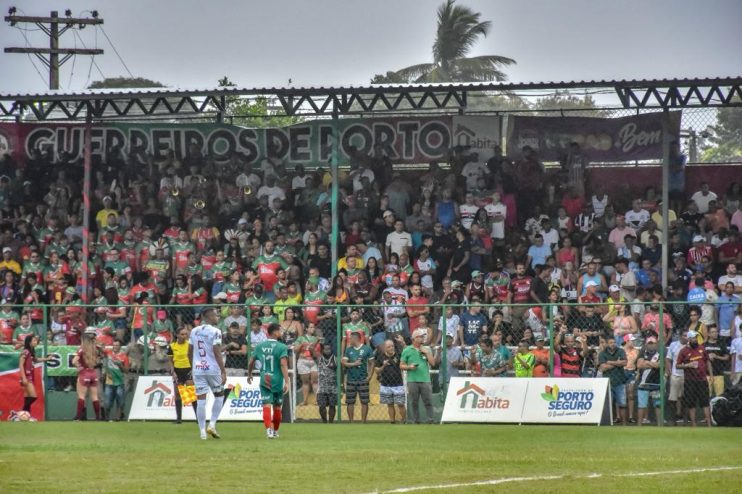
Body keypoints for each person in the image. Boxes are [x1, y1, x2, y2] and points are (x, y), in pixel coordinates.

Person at [188, 308, 227, 440]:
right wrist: (223, 370)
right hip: (212, 368)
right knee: (220, 395)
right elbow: (216, 351)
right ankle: (212, 424)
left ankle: (202, 432)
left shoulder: (194, 331)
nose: (218, 317)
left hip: (198, 369)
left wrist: (193, 366)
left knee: (201, 400)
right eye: (216, 315)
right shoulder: (216, 331)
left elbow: (190, 351)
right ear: (209, 317)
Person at [248, 323, 290, 438]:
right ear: (275, 333)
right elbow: (283, 364)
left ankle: (269, 431)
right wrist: (287, 381)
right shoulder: (282, 347)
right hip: (277, 381)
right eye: (280, 330)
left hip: (265, 379)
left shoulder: (260, 346)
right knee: (277, 407)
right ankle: (275, 431)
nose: (281, 332)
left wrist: (249, 374)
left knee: (266, 405)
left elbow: (251, 361)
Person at [676, 329, 712, 427]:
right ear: (689, 339)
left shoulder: (702, 348)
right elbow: (677, 365)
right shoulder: (683, 351)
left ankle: (709, 424)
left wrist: (711, 375)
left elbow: (707, 361)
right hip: (690, 380)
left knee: (705, 402)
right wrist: (688, 365)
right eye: (693, 338)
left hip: (702, 379)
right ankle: (694, 424)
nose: (695, 339)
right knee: (691, 403)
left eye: (695, 337)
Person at [400, 328, 435, 424]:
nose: (423, 338)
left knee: (428, 401)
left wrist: (427, 353)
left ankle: (430, 420)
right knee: (414, 402)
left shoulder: (427, 349)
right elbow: (401, 365)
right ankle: (416, 421)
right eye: (420, 337)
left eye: (423, 336)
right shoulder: (407, 350)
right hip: (412, 380)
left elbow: (433, 363)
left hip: (425, 379)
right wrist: (409, 367)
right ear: (414, 338)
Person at [341, 331, 374, 423]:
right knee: (350, 402)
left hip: (363, 379)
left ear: (355, 338)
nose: (349, 340)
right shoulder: (348, 350)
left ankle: (363, 422)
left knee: (364, 401)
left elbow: (372, 363)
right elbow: (343, 363)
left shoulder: (367, 349)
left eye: (350, 338)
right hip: (351, 379)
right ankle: (351, 422)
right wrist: (354, 364)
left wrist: (370, 376)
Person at [167, 327, 198, 424]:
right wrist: (173, 372)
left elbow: (194, 358)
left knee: (191, 394)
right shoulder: (172, 346)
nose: (185, 336)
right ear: (177, 335)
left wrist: (193, 370)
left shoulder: (190, 345)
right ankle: (179, 419)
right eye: (182, 334)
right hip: (177, 371)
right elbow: (171, 361)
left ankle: (198, 418)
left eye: (186, 334)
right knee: (177, 395)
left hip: (188, 370)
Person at [73, 327, 104, 421]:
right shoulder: (96, 348)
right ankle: (98, 417)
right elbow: (101, 356)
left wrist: (79, 367)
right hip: (93, 372)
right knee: (95, 396)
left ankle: (78, 417)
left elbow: (74, 361)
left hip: (84, 372)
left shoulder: (82, 349)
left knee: (81, 396)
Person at [374, 337, 406, 424]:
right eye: (389, 347)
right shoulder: (381, 357)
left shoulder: (399, 355)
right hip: (385, 384)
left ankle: (404, 420)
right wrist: (383, 366)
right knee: (390, 404)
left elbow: (407, 352)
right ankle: (392, 421)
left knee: (400, 404)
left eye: (392, 346)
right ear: (384, 348)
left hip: (398, 384)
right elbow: (376, 370)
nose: (391, 348)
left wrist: (403, 343)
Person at [18, 334, 51, 417]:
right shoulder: (25, 351)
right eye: (34, 341)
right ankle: (21, 413)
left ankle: (26, 416)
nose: (36, 342)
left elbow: (36, 360)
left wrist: (47, 359)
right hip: (26, 377)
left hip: (29, 376)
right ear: (29, 342)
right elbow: (21, 365)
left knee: (27, 397)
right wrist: (24, 378)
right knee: (33, 397)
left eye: (36, 340)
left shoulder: (31, 351)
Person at [599, 336, 629, 425]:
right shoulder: (602, 353)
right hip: (607, 382)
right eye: (611, 343)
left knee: (622, 403)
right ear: (607, 344)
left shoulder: (621, 351)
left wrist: (610, 362)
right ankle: (608, 423)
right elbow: (603, 368)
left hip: (620, 380)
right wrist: (617, 363)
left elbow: (625, 363)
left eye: (614, 342)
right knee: (608, 404)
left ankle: (624, 424)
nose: (613, 344)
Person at [636, 336, 661, 426]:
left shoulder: (660, 354)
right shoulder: (642, 353)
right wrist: (653, 364)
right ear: (646, 344)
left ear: (656, 344)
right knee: (641, 405)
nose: (651, 345)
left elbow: (660, 365)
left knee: (658, 405)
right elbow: (639, 365)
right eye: (649, 343)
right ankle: (639, 426)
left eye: (652, 343)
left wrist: (647, 363)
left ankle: (660, 425)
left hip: (656, 382)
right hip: (643, 383)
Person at [294, 322, 320, 406]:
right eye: (311, 327)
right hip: (303, 361)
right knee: (305, 382)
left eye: (313, 327)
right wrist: (302, 345)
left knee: (315, 381)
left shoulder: (316, 339)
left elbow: (317, 354)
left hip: (312, 361)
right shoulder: (301, 338)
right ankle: (305, 401)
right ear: (306, 329)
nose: (313, 329)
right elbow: (295, 350)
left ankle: (317, 400)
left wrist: (312, 349)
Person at [103, 339, 129, 422]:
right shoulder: (108, 353)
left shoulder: (124, 357)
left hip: (119, 382)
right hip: (109, 381)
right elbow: (100, 349)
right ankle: (106, 418)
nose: (115, 346)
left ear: (120, 347)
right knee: (107, 401)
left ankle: (118, 418)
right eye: (114, 345)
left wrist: (120, 365)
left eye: (117, 345)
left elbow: (126, 371)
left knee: (120, 401)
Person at [704, 327, 729, 398]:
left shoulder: (721, 344)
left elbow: (727, 357)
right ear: (708, 334)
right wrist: (707, 356)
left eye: (716, 332)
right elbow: (700, 358)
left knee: (719, 396)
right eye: (713, 332)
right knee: (707, 396)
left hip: (719, 374)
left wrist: (716, 356)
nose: (715, 333)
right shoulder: (704, 345)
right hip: (706, 374)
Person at [316, 343, 337, 423]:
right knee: (321, 406)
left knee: (332, 406)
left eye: (329, 349)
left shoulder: (335, 359)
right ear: (322, 350)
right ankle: (324, 421)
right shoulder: (319, 358)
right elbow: (312, 350)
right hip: (321, 387)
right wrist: (317, 341)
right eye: (325, 349)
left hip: (333, 387)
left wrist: (341, 385)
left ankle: (331, 422)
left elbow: (340, 373)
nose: (328, 351)